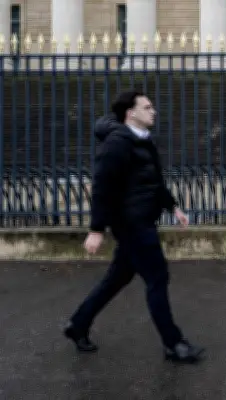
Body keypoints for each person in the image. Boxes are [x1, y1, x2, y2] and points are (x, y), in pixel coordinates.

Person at [62, 90, 205, 364]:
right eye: (147, 107)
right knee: (157, 278)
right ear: (131, 113)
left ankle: (78, 324)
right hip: (132, 224)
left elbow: (153, 180)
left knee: (118, 277)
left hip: (142, 219)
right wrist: (96, 229)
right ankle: (173, 344)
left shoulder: (142, 140)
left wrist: (172, 207)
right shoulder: (117, 143)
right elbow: (103, 186)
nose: (154, 111)